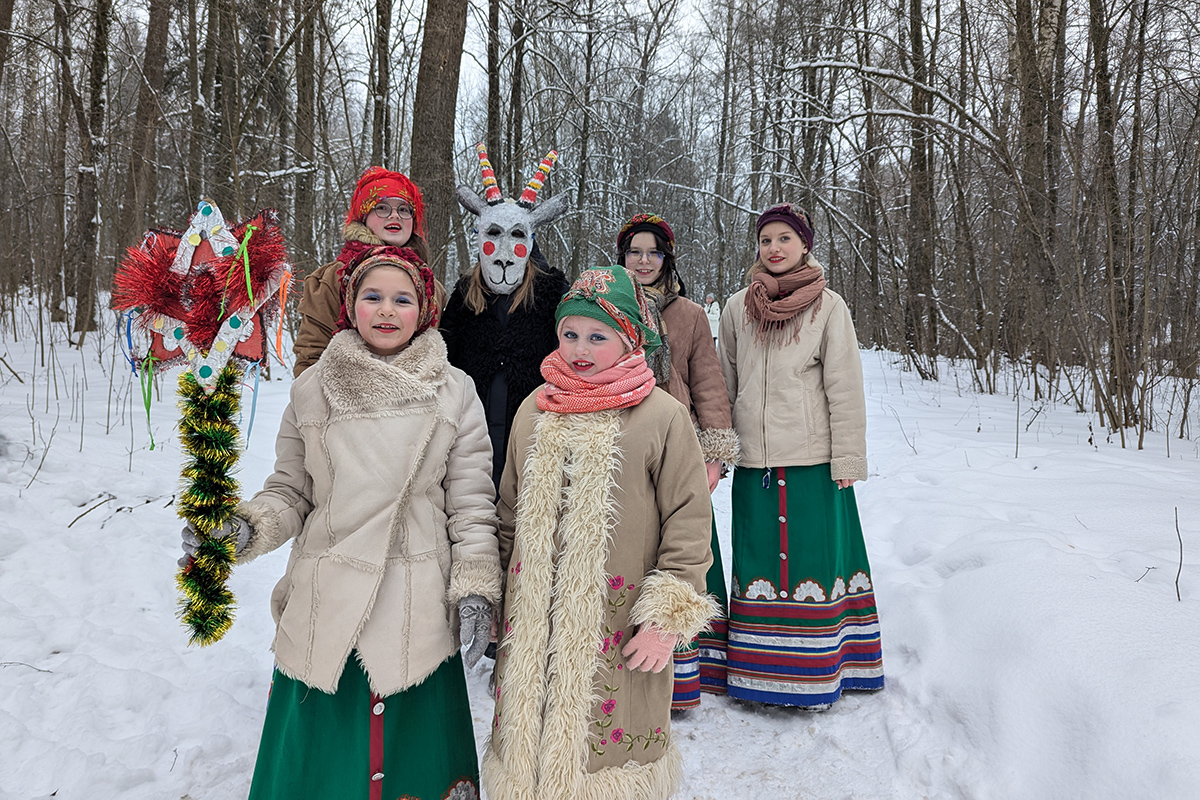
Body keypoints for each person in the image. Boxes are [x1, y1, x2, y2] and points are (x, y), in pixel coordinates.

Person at [182, 252, 500, 799]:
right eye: (372, 296)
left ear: (423, 309)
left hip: (414, 603)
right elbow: (290, 490)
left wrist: (475, 586)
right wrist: (243, 527)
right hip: (327, 596)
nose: (386, 310)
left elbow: (471, 503)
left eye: (402, 299)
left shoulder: (455, 389)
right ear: (350, 306)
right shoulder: (314, 389)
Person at [483, 267, 716, 800]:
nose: (580, 348)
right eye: (569, 334)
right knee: (527, 743)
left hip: (619, 621)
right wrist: (498, 598)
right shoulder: (533, 409)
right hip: (533, 621)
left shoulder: (662, 415)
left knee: (604, 757)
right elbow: (508, 512)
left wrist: (666, 617)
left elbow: (688, 518)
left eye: (597, 336)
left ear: (630, 338)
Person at [717, 203, 884, 708]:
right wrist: (720, 447)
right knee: (759, 562)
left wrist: (848, 458)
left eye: (784, 239)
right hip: (755, 465)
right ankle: (758, 675)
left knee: (813, 563)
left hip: (812, 463)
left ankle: (821, 671)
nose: (774, 249)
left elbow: (844, 388)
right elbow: (725, 384)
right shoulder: (736, 309)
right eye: (766, 240)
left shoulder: (828, 307)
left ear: (805, 245)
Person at [616, 213, 739, 711]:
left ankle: (691, 672)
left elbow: (708, 383)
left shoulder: (688, 314)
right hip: (624, 445)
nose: (643, 261)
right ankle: (629, 664)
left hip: (678, 444)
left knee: (684, 546)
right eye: (634, 252)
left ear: (667, 259)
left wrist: (713, 455)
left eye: (653, 253)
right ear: (622, 256)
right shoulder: (610, 304)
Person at [442, 145, 570, 490]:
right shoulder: (464, 296)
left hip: (532, 443)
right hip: (472, 445)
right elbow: (441, 352)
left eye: (515, 236)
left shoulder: (552, 294)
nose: (502, 253)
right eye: (493, 234)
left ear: (529, 241)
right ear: (479, 236)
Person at [292, 166, 435, 376]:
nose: (394, 215)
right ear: (363, 216)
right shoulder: (331, 279)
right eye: (382, 207)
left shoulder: (430, 284)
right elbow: (311, 357)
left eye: (404, 209)